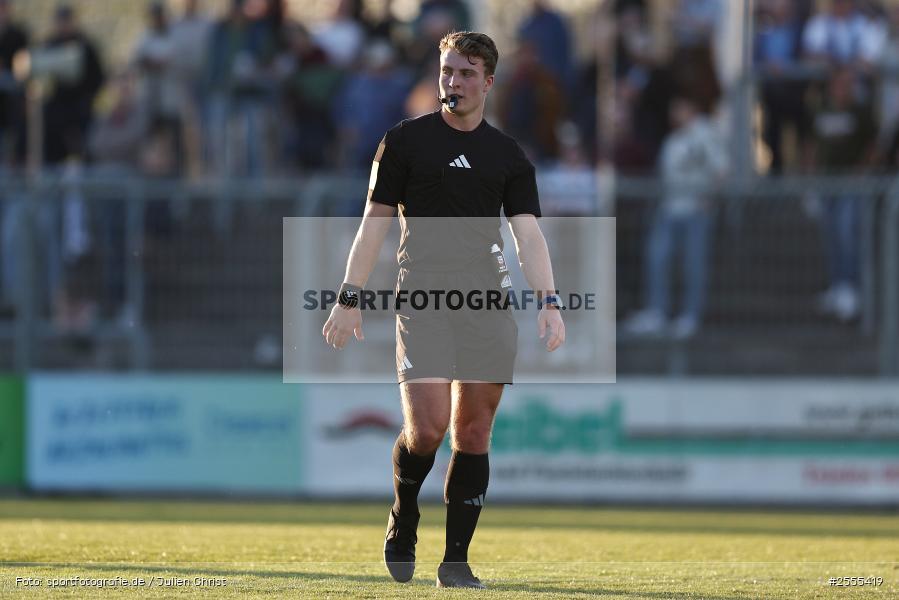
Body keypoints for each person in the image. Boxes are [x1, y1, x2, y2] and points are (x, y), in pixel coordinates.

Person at [321, 31, 565, 589]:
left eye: (466, 73)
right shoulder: (405, 142)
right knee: (427, 428)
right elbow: (373, 224)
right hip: (423, 298)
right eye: (447, 71)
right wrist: (348, 297)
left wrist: (549, 303)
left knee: (473, 431)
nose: (453, 82)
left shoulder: (507, 155)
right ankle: (404, 513)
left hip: (486, 302)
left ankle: (456, 561)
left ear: (489, 82)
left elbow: (529, 237)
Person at [624, 95, 726, 339]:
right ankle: (657, 311)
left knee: (693, 263)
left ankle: (691, 315)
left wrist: (710, 198)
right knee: (657, 257)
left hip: (695, 211)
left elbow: (722, 169)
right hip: (670, 208)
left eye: (678, 109)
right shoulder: (673, 139)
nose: (673, 115)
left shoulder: (705, 134)